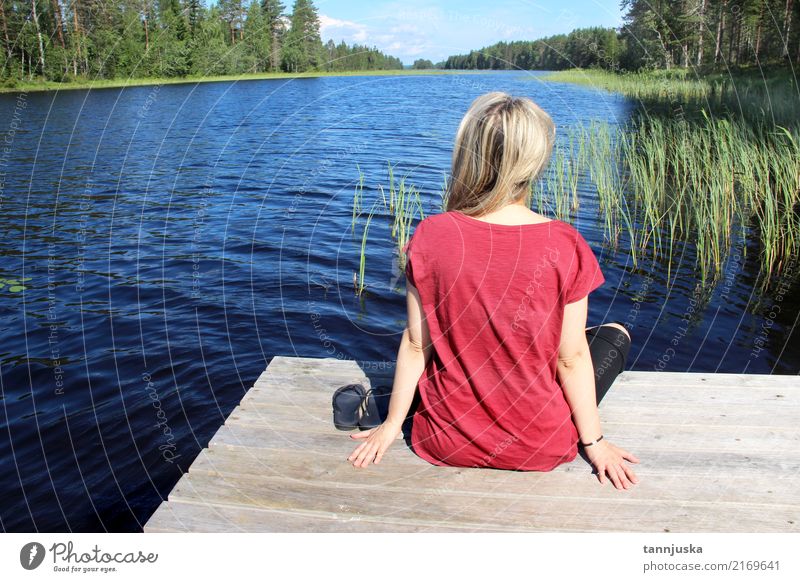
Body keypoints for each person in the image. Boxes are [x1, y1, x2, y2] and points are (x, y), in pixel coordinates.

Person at [347, 92, 640, 490]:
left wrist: (391, 425)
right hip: (540, 447)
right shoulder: (565, 243)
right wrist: (596, 443)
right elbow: (569, 361)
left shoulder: (432, 235)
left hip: (442, 443)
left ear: (468, 153)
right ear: (536, 162)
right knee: (612, 337)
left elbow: (418, 346)